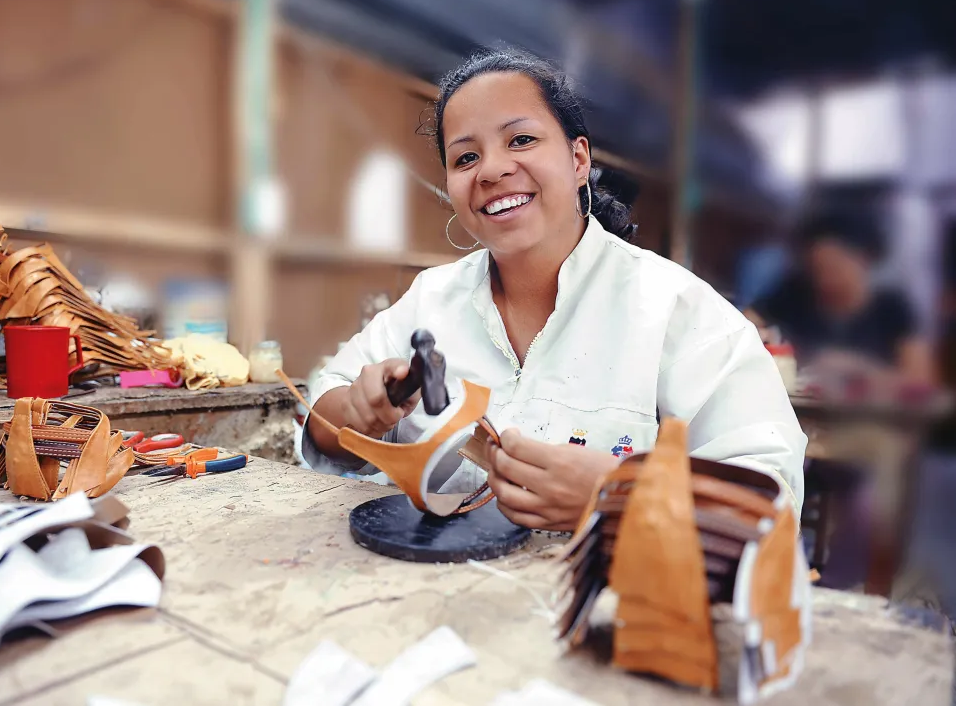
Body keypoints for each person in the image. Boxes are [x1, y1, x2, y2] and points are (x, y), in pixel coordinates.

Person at [301, 49, 806, 531]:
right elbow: (323, 417)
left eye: (521, 140)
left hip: (601, 610)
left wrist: (622, 494)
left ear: (579, 158)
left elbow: (771, 496)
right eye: (466, 157)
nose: (493, 170)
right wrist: (355, 413)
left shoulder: (677, 310)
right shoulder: (429, 301)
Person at [744, 209, 934, 383]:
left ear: (865, 259)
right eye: (817, 269)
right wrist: (756, 337)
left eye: (836, 268)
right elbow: (741, 325)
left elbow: (919, 380)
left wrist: (858, 367)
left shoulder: (892, 308)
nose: (825, 279)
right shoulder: (792, 294)